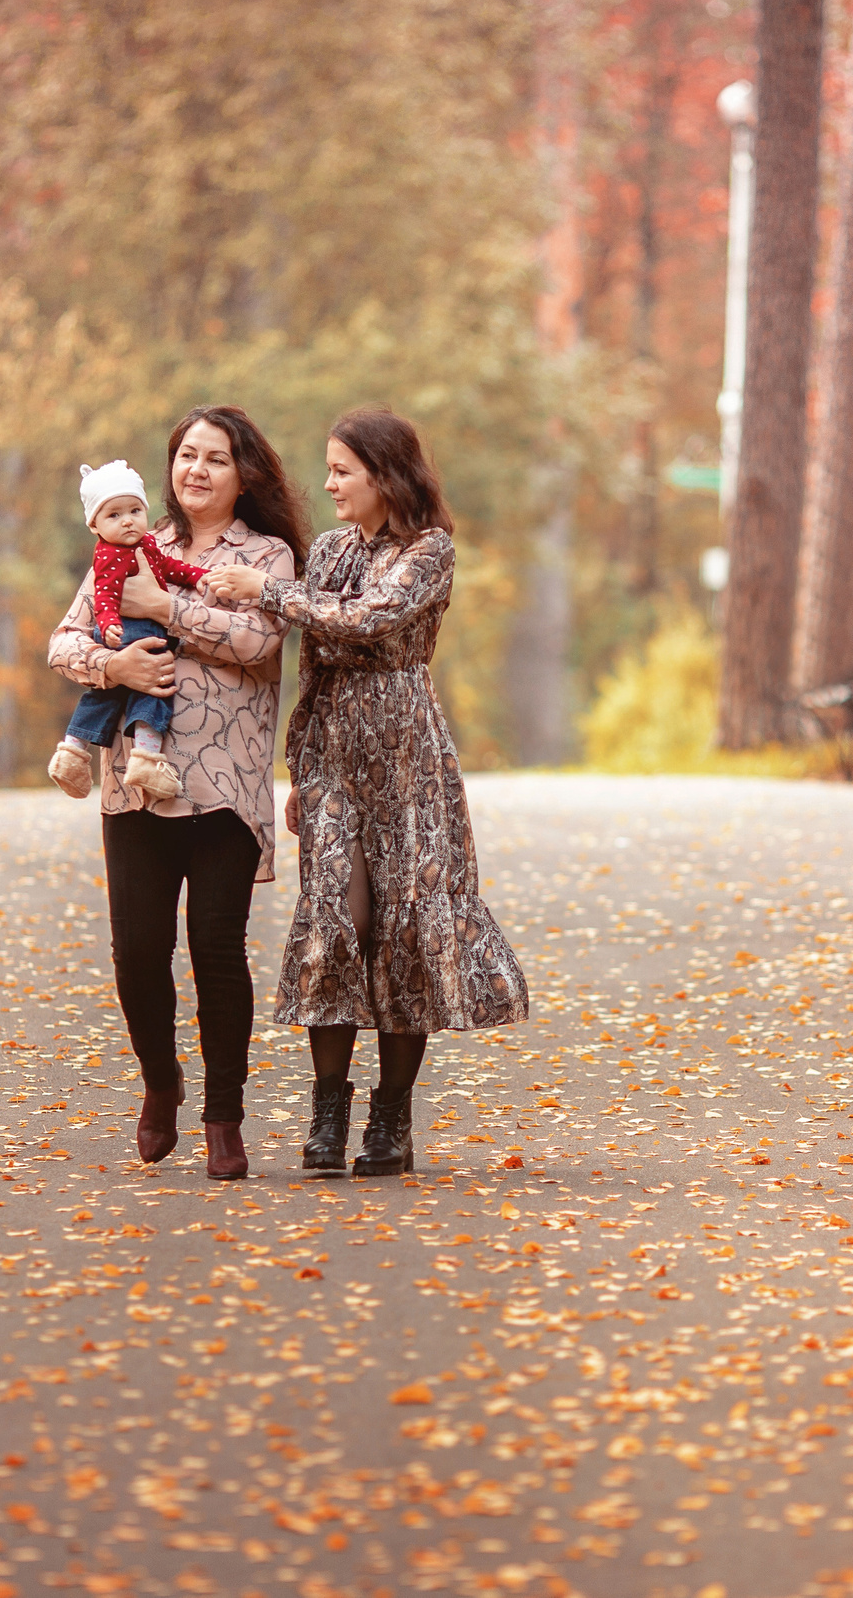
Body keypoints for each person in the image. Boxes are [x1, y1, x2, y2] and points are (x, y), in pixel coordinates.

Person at [201, 406, 527, 1177]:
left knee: (405, 932)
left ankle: (392, 1119)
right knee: (333, 927)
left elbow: (368, 621)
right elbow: (316, 667)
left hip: (411, 764)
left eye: (343, 470)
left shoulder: (431, 551)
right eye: (329, 468)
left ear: (385, 475)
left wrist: (269, 593)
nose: (329, 483)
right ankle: (327, 1112)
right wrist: (303, 770)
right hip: (337, 765)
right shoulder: (330, 550)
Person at [47, 408, 308, 1180]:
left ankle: (223, 1117)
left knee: (217, 953)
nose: (196, 470)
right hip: (136, 786)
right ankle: (161, 1083)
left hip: (225, 787)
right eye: (186, 455)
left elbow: (260, 644)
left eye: (215, 459)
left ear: (243, 474)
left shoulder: (269, 556)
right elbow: (64, 640)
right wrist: (112, 670)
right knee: (137, 956)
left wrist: (165, 611)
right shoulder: (131, 538)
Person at [51, 461, 212, 803]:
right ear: (94, 525)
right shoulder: (110, 555)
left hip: (132, 632)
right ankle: (146, 757)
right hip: (130, 633)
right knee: (156, 689)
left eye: (135, 510)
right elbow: (105, 596)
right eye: (114, 516)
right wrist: (109, 624)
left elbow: (167, 567)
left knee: (104, 698)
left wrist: (194, 575)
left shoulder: (146, 544)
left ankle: (72, 752)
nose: (127, 520)